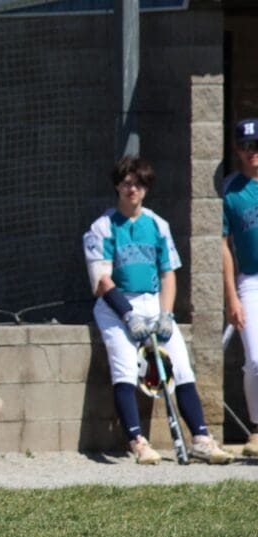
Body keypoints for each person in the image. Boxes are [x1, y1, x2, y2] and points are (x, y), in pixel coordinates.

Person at [83, 156, 231, 465]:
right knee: (125, 370)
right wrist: (127, 314)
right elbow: (101, 281)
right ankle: (137, 442)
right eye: (126, 183)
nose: (132, 189)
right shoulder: (103, 227)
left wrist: (166, 314)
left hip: (154, 303)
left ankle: (201, 439)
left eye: (138, 184)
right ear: (117, 186)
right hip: (115, 307)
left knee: (182, 368)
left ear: (146, 188)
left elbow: (168, 274)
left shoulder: (157, 224)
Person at [221, 117, 258, 457]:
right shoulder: (230, 190)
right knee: (256, 359)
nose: (252, 152)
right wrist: (231, 295)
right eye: (246, 146)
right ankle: (257, 429)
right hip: (251, 280)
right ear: (236, 149)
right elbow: (222, 244)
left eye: (256, 145)